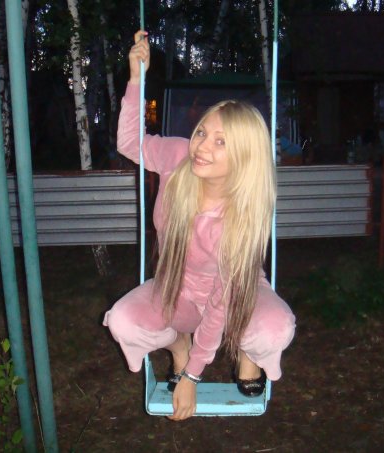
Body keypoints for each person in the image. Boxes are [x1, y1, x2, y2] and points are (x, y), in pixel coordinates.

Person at [103, 31, 296, 421]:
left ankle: (247, 351)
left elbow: (222, 304)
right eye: (203, 132)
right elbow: (129, 143)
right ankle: (179, 345)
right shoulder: (179, 159)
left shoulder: (242, 214)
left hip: (238, 296)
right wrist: (137, 78)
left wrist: (192, 377)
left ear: (244, 157)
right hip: (179, 288)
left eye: (221, 142)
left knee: (274, 329)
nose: (202, 146)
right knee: (124, 321)